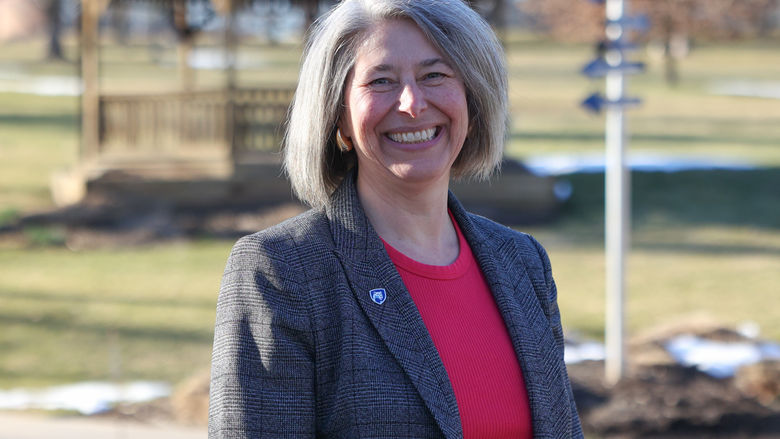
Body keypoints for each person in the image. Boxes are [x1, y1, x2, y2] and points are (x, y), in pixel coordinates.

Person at [208, 0, 583, 437]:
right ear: (339, 118)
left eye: (435, 75)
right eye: (381, 81)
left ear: (472, 99)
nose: (411, 103)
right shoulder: (282, 273)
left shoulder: (523, 264)